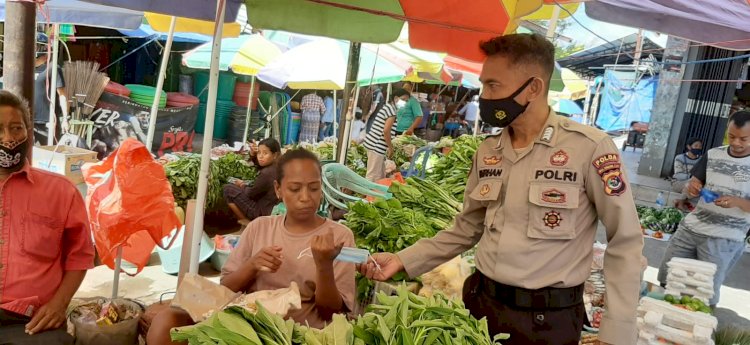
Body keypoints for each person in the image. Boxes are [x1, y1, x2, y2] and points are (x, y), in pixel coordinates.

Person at [360, 33, 644, 345]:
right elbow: (466, 228)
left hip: (546, 323)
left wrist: (617, 330)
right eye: (484, 85)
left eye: (494, 85)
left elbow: (626, 241)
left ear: (533, 88)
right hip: (480, 307)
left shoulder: (588, 148)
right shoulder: (488, 151)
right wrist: (403, 259)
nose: (484, 96)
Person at [148, 149, 355, 345]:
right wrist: (253, 265)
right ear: (278, 190)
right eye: (294, 188)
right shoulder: (259, 227)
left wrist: (323, 265)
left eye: (314, 188)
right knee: (165, 322)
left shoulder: (338, 237)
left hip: (293, 335)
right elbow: (225, 288)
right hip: (246, 326)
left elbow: (333, 314)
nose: (305, 197)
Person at [0, 90, 94, 344]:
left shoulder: (61, 192)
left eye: (16, 128)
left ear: (29, 132)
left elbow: (81, 255)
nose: (8, 138)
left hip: (32, 320)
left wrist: (58, 304)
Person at [657, 110, 750, 307]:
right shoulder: (713, 155)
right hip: (690, 229)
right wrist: (691, 188)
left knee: (703, 294)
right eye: (732, 136)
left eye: (744, 139)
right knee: (669, 279)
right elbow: (692, 186)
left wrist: (738, 202)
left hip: (724, 239)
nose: (736, 143)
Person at [223, 138, 281, 226]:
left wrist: (242, 184)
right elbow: (260, 165)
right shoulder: (279, 166)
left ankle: (247, 223)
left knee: (228, 189)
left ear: (275, 155)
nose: (260, 156)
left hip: (261, 212)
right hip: (271, 208)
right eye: (259, 153)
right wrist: (253, 155)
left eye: (265, 153)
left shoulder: (267, 173)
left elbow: (250, 194)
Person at [363, 88, 410, 181]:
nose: (405, 103)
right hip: (376, 147)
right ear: (396, 98)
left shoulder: (388, 107)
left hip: (374, 145)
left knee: (379, 176)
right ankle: (368, 195)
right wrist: (391, 148)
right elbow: (386, 131)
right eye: (404, 100)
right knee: (373, 176)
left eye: (407, 101)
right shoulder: (391, 111)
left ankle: (373, 194)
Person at [33, 32, 69, 146]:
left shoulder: (53, 68)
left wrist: (65, 118)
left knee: (45, 154)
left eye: (36, 46)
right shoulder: (25, 67)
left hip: (46, 121)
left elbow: (62, 95)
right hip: (27, 120)